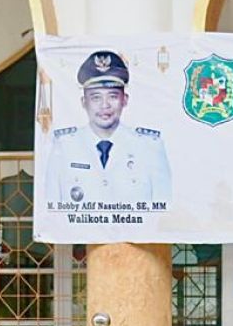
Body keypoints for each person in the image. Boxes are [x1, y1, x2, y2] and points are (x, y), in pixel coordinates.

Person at [43, 50, 171, 208]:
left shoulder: (150, 147)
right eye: (96, 97)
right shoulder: (64, 147)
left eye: (112, 96)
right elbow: (51, 211)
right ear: (84, 102)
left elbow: (164, 212)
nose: (105, 105)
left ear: (124, 100)